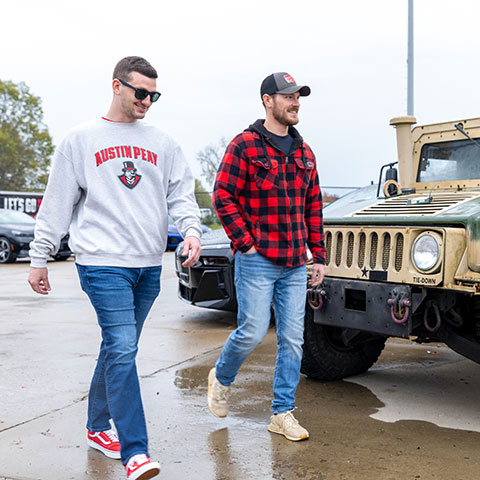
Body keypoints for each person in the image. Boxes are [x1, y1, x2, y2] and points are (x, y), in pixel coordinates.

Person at [28, 56, 202, 480]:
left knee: (117, 348)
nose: (147, 101)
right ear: (117, 86)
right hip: (102, 264)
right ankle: (135, 452)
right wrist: (39, 256)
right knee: (123, 349)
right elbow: (58, 201)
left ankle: (95, 427)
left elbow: (181, 193)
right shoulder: (81, 139)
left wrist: (192, 230)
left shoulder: (162, 142)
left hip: (146, 265)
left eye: (153, 95)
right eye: (140, 92)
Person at [208, 72, 326, 441]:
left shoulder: (305, 153)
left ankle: (282, 412)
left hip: (294, 264)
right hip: (257, 260)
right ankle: (221, 378)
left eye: (298, 97)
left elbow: (314, 207)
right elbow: (222, 195)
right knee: (253, 332)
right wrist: (245, 243)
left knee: (293, 340)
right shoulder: (245, 145)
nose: (295, 103)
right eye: (288, 96)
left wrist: (318, 255)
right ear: (267, 100)